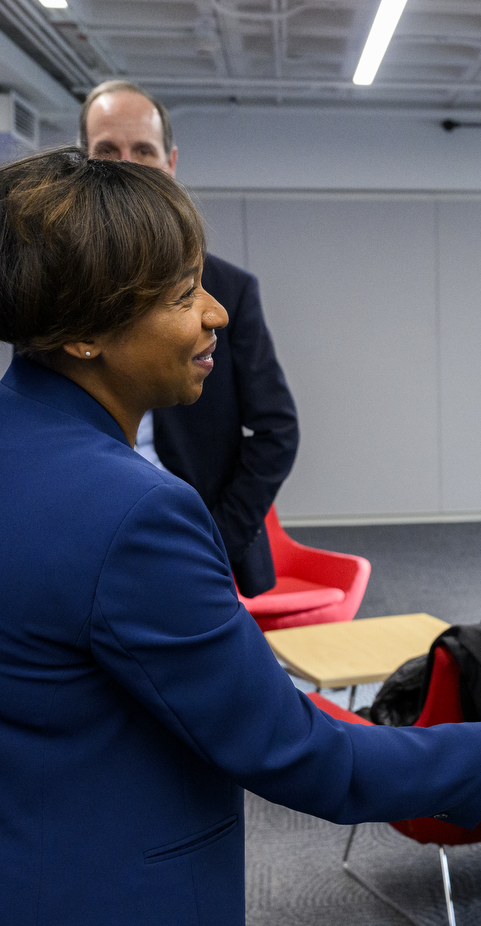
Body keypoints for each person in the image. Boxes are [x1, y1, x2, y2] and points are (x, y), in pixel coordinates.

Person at [0, 148, 481, 925]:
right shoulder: (134, 512)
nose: (215, 313)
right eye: (183, 294)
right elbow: (293, 752)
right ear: (87, 334)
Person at [81, 80, 296, 597]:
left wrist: (219, 539)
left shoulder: (229, 290)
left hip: (198, 541)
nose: (126, 165)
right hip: (87, 535)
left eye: (144, 151)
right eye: (106, 151)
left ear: (170, 162)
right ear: (82, 161)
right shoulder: (62, 292)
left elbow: (277, 432)